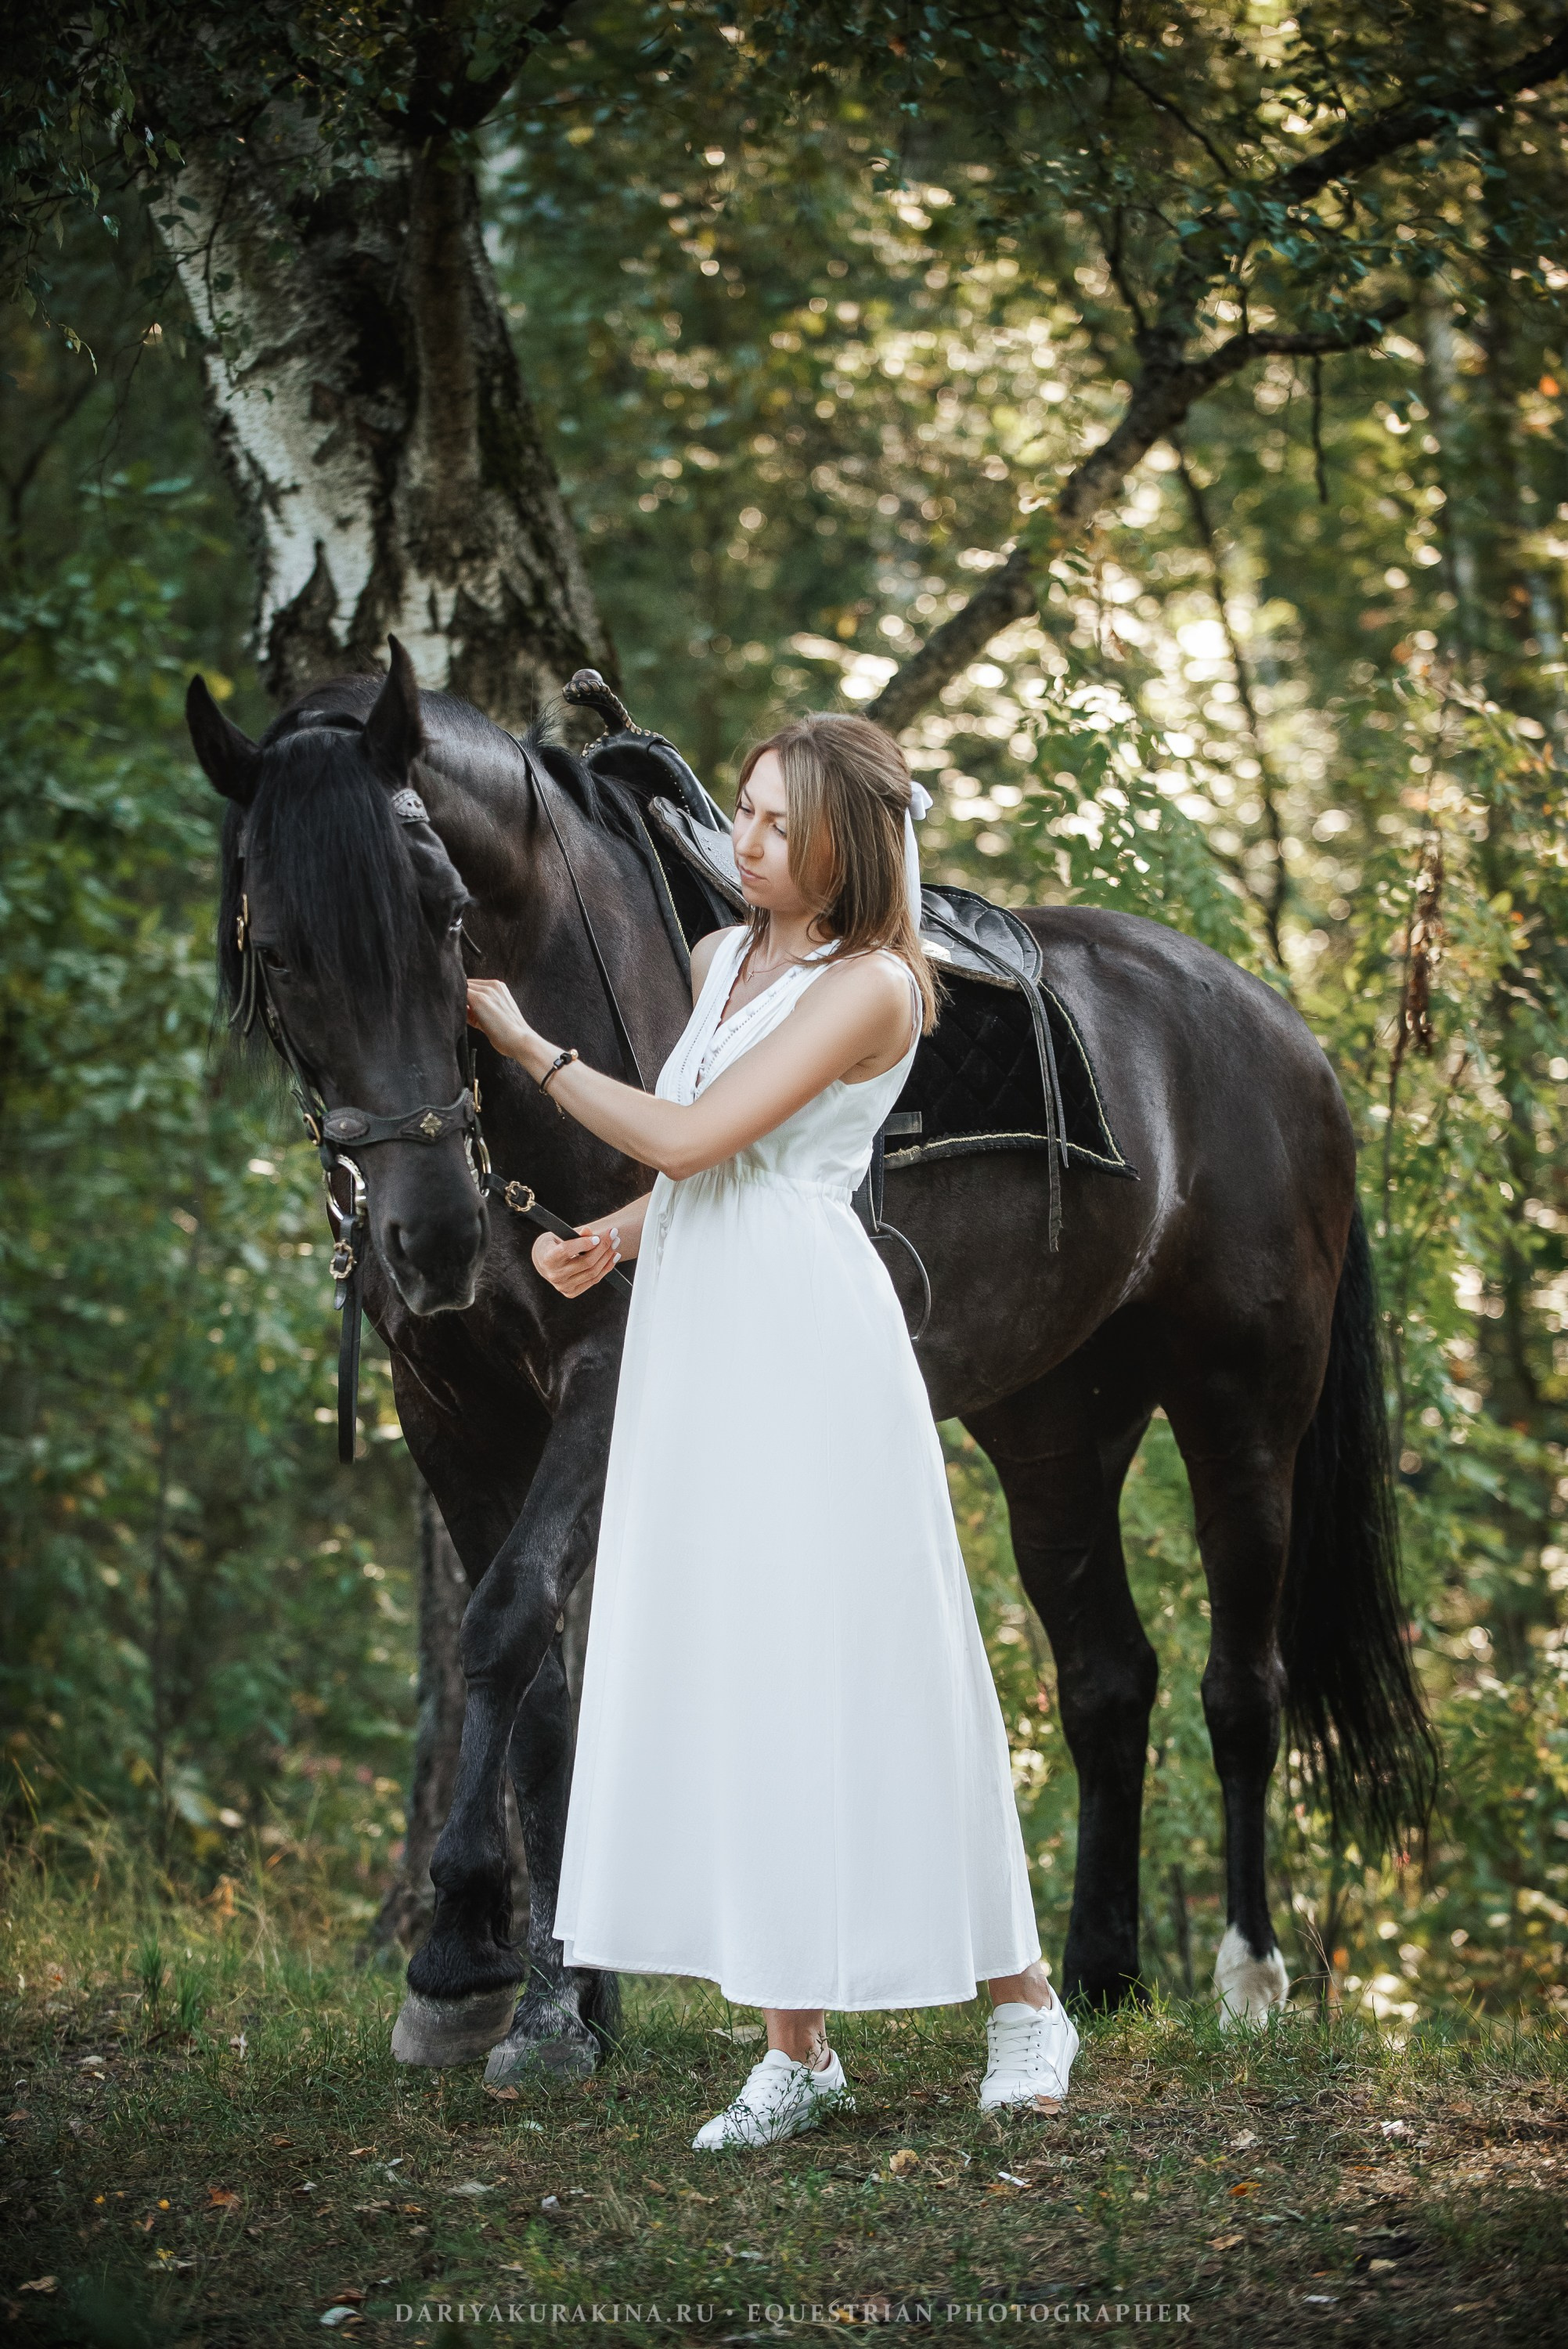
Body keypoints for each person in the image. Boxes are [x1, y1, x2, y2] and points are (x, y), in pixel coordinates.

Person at [465, 711, 1078, 2151]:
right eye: (739, 812)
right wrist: (615, 1236)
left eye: (773, 825)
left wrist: (521, 1039)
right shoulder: (717, 958)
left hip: (808, 1345)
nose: (739, 842)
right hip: (698, 1333)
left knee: (872, 1662)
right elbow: (707, 1153)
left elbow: (690, 1138)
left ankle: (1024, 2000)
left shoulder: (875, 986)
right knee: (743, 1667)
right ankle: (795, 2051)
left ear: (845, 848)